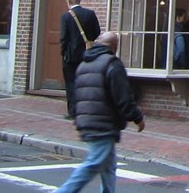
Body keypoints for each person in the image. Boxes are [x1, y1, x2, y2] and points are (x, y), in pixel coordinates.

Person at [56, 31, 145, 193]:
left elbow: (75, 95)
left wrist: (78, 118)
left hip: (87, 121)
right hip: (103, 124)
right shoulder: (112, 64)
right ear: (114, 46)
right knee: (93, 164)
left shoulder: (84, 64)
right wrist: (137, 118)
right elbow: (123, 98)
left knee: (109, 166)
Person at [59, 0, 102, 119]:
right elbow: (97, 31)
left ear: (68, 2)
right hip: (87, 53)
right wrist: (88, 41)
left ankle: (73, 112)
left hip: (71, 56)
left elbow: (63, 38)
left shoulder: (66, 17)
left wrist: (64, 52)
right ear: (79, 1)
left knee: (71, 83)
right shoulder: (90, 14)